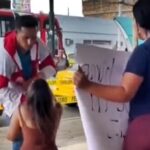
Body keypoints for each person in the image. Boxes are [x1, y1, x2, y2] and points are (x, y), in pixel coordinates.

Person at [73, 0, 150, 149]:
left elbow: (125, 93)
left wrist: (87, 85)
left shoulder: (143, 52)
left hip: (144, 129)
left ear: (139, 23)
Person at [0, 15, 56, 150]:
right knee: (20, 136)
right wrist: (24, 100)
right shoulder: (3, 53)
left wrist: (38, 77)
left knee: (41, 133)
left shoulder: (36, 41)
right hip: (14, 97)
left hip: (32, 93)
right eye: (26, 38)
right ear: (16, 32)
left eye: (33, 36)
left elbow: (50, 65)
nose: (31, 42)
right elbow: (1, 89)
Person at [7, 78, 62, 150]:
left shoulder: (22, 110)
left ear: (30, 94)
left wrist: (24, 130)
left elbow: (11, 136)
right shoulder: (57, 109)